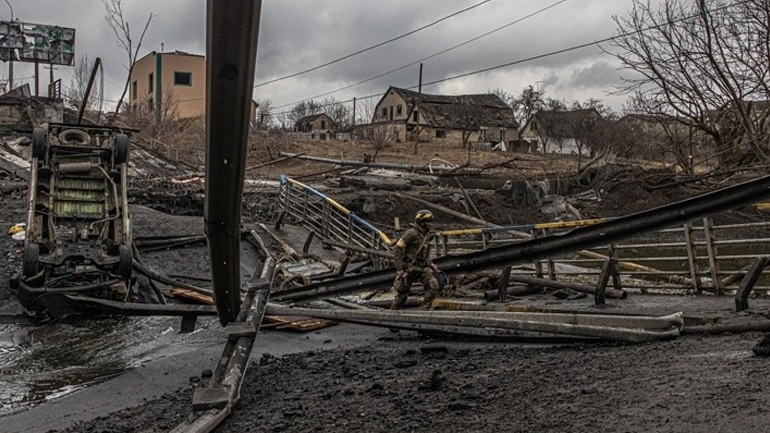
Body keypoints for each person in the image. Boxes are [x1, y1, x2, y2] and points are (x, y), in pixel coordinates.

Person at [390, 209, 440, 310]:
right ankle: (391, 314)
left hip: (421, 268)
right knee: (402, 296)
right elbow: (397, 249)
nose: (430, 224)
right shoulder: (411, 233)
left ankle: (424, 312)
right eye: (428, 222)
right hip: (409, 268)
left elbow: (423, 253)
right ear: (422, 222)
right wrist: (399, 269)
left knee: (433, 286)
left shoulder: (424, 235)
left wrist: (430, 264)